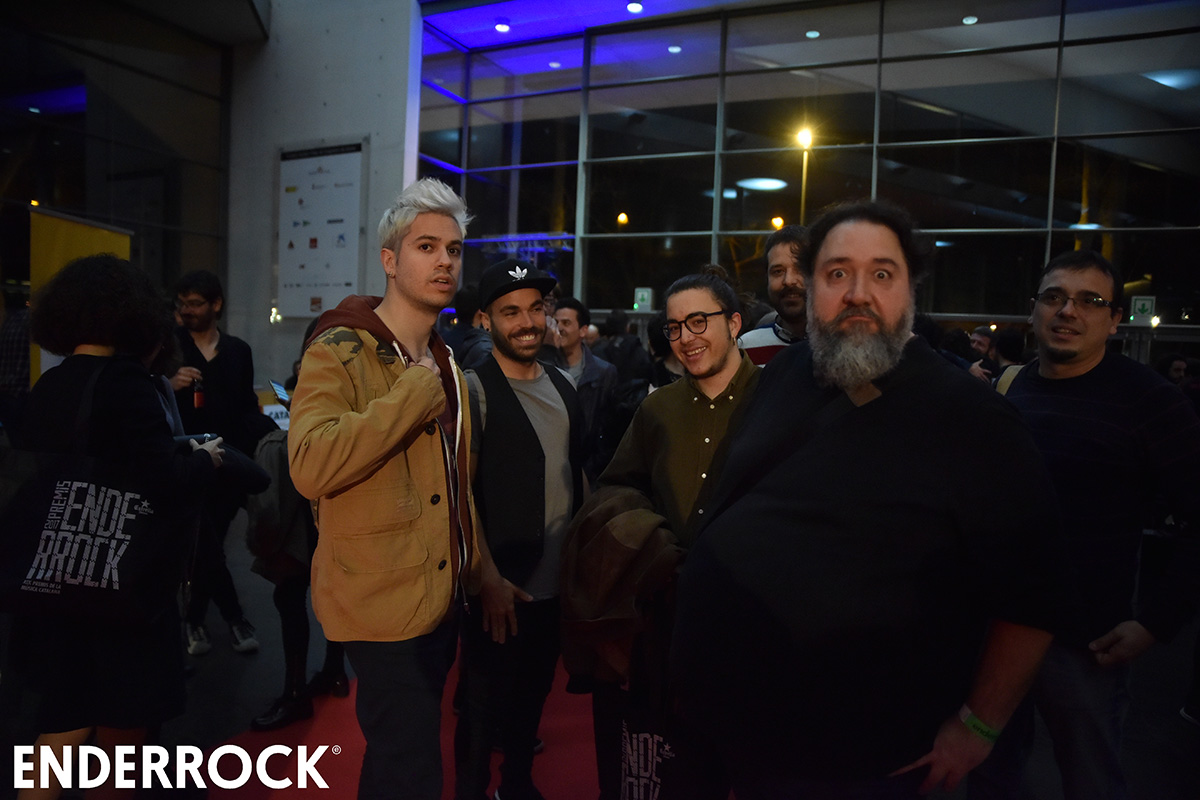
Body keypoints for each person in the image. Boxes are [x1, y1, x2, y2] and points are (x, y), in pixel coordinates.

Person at [670, 200, 1068, 799]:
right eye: (837, 273)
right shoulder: (783, 373)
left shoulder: (973, 419)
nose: (858, 293)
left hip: (866, 760)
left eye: (882, 273)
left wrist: (980, 726)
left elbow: (1032, 598)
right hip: (744, 739)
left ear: (910, 290)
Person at [969, 250, 1200, 800]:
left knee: (1090, 779)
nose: (1068, 311)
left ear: (1115, 319)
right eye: (1054, 297)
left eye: (1089, 301)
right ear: (1034, 311)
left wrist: (1155, 623)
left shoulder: (1150, 401)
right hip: (999, 629)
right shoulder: (1011, 386)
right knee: (989, 773)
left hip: (1086, 642)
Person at [288, 177, 481, 800]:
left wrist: (482, 572)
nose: (445, 261)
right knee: (412, 770)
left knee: (398, 762)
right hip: (377, 604)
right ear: (390, 261)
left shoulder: (447, 361)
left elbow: (456, 483)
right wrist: (414, 393)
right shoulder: (341, 348)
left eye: (453, 249)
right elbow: (309, 463)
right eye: (427, 247)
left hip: (440, 594)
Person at [5, 254, 223, 800]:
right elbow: (163, 478)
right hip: (122, 584)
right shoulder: (130, 384)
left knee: (59, 724)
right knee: (122, 736)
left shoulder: (49, 384)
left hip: (53, 580)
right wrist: (206, 460)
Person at [568, 265, 759, 800]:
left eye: (699, 321)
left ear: (734, 323)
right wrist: (651, 542)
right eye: (675, 327)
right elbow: (616, 488)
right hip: (668, 618)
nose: (686, 338)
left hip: (750, 621)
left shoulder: (773, 403)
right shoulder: (657, 408)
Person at [454, 259, 584, 800]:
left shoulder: (565, 385)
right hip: (500, 588)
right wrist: (485, 577)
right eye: (511, 312)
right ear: (486, 320)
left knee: (532, 701)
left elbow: (575, 475)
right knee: (481, 710)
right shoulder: (472, 390)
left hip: (554, 589)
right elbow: (458, 495)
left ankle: (517, 786)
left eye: (535, 308)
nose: (527, 322)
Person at [170, 270, 263, 656]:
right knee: (207, 544)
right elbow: (147, 394)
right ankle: (231, 618)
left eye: (195, 303)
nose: (186, 311)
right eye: (182, 304)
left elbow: (247, 407)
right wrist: (169, 382)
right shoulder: (170, 347)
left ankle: (195, 622)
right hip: (185, 461)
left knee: (208, 545)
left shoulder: (238, 351)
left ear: (216, 305)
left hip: (227, 461)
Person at [554, 296, 618, 481]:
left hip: (588, 470)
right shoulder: (544, 367)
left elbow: (609, 429)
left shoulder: (603, 372)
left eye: (566, 323)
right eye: (556, 322)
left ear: (583, 330)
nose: (559, 328)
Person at [739, 224, 806, 365]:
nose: (788, 281)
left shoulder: (844, 344)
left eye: (800, 269)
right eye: (778, 271)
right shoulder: (746, 349)